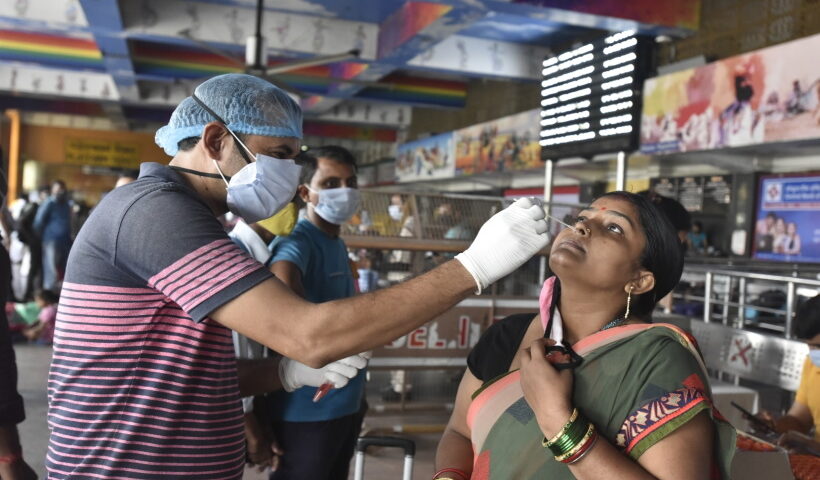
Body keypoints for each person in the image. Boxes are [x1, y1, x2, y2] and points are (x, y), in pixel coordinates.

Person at [46, 73, 549, 479]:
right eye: (280, 155)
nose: (290, 174)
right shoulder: (155, 213)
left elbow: (179, 371)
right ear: (217, 140)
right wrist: (474, 266)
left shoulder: (193, 219)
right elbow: (307, 334)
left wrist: (285, 374)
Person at [434, 191, 736, 480]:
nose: (581, 226)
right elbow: (459, 432)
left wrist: (559, 423)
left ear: (640, 280)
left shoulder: (657, 360)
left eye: (614, 228)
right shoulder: (507, 335)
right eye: (581, 217)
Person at [267, 146, 367, 480]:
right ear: (305, 192)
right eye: (331, 183)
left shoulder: (335, 240)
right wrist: (307, 322)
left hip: (344, 403)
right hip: (308, 411)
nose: (345, 190)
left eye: (350, 181)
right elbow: (282, 273)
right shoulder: (300, 239)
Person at [757, 295, 820, 455]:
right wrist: (774, 425)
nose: (815, 353)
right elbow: (799, 420)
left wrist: (813, 447)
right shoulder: (812, 367)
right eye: (811, 347)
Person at [33, 179, 72, 291]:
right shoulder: (49, 203)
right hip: (51, 240)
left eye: (63, 189)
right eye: (59, 189)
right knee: (51, 269)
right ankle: (49, 292)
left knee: (64, 269)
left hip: (65, 240)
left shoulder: (66, 204)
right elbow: (38, 222)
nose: (62, 192)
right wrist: (43, 237)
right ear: (53, 190)